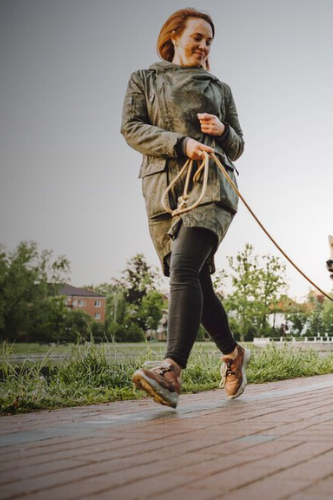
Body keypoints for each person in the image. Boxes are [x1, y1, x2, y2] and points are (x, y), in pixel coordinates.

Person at [121, 8, 250, 408]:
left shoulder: (220, 89)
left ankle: (171, 371)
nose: (204, 45)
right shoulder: (144, 80)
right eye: (197, 37)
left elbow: (239, 145)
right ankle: (233, 354)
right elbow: (132, 128)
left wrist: (222, 132)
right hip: (162, 190)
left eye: (209, 41)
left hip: (211, 186)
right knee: (196, 279)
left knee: (184, 269)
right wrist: (180, 144)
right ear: (174, 36)